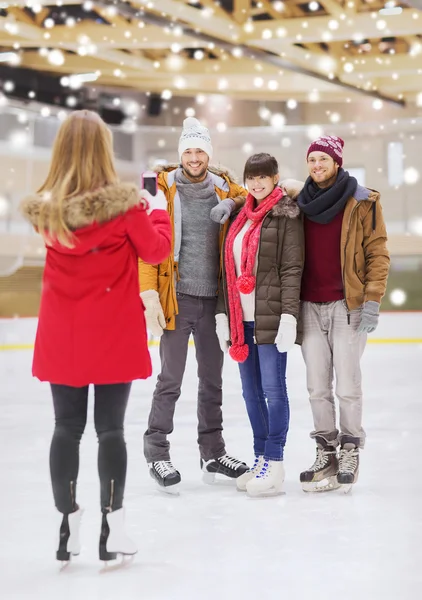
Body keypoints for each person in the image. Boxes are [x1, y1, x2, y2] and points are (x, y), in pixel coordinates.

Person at [20, 110, 172, 562]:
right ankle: (113, 529)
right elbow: (157, 249)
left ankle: (68, 525)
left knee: (65, 429)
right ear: (104, 151)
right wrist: (158, 210)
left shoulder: (47, 214)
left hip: (63, 334)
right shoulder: (127, 209)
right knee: (111, 432)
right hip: (112, 333)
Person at [139, 117, 251, 493]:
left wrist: (234, 202)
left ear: (209, 154)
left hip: (214, 300)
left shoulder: (223, 188)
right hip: (177, 297)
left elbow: (257, 196)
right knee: (170, 379)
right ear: (180, 154)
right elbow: (145, 247)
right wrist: (149, 294)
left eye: (200, 150)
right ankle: (157, 451)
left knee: (212, 380)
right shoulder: (160, 187)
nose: (193, 157)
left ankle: (212, 452)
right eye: (187, 150)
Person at [297, 135, 390, 492]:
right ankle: (326, 451)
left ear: (336, 162)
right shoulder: (299, 202)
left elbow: (377, 253)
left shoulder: (362, 201)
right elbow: (256, 196)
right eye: (312, 160)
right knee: (317, 386)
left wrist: (372, 299)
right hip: (308, 305)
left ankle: (350, 448)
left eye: (323, 159)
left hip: (346, 305)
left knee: (348, 385)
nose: (317, 166)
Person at [215, 153, 304, 497]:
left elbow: (291, 268)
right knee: (250, 393)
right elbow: (226, 270)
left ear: (275, 177)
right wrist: (223, 314)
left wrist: (288, 315)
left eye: (263, 177)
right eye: (251, 177)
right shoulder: (239, 216)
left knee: (273, 390)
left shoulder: (286, 214)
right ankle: (260, 458)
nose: (256, 183)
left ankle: (275, 461)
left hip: (270, 317)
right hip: (242, 321)